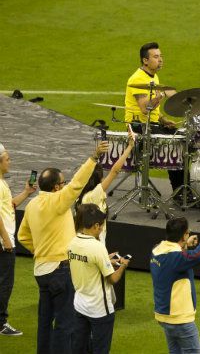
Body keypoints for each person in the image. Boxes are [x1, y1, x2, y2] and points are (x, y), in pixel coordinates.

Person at [17, 141, 108, 354]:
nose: (66, 186)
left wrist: (41, 250)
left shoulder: (31, 205)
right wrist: (93, 158)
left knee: (45, 322)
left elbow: (22, 236)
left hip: (41, 271)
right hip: (61, 270)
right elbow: (77, 183)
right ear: (57, 187)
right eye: (63, 183)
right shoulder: (58, 202)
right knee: (66, 325)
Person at [150, 215, 200, 354]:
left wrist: (185, 244)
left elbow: (176, 258)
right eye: (188, 232)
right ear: (183, 235)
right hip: (179, 318)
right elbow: (198, 255)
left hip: (164, 316)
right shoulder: (176, 258)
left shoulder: (156, 250)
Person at [68, 204, 129, 354]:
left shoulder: (72, 242)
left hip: (80, 305)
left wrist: (106, 260)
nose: (102, 229)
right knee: (100, 349)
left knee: (79, 347)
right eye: (101, 226)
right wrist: (122, 266)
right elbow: (112, 279)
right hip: (99, 309)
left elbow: (88, 262)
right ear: (95, 225)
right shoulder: (97, 247)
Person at [124, 42, 183, 195]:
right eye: (156, 57)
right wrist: (162, 95)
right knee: (176, 143)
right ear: (145, 60)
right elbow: (145, 109)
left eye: (160, 56)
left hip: (150, 123)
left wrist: (163, 120)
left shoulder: (153, 76)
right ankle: (180, 191)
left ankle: (182, 187)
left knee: (181, 137)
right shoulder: (137, 79)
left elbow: (153, 112)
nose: (160, 60)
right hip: (137, 127)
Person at [0, 143, 36, 336]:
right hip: (3, 243)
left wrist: (27, 193)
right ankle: (1, 323)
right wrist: (6, 240)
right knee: (5, 284)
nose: (10, 162)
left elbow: (9, 205)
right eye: (7, 159)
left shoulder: (2, 183)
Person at [78, 131, 135, 242]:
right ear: (98, 180)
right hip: (95, 243)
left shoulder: (80, 193)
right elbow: (114, 171)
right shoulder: (93, 196)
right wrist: (130, 147)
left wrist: (96, 154)